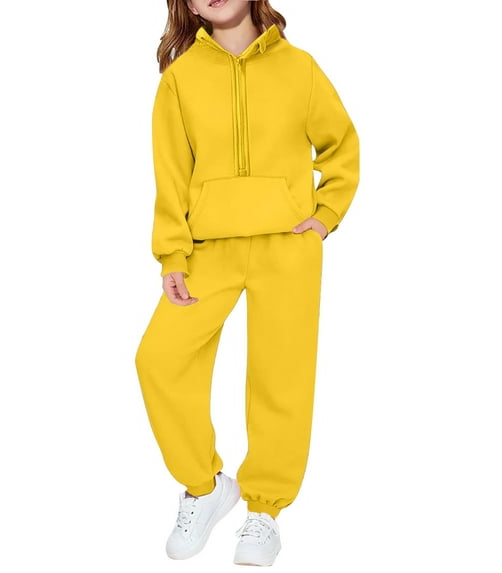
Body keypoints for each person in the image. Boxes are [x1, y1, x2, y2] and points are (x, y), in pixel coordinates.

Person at [135, 0, 359, 566]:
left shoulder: (300, 68)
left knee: (281, 377)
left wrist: (325, 215)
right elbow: (170, 175)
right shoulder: (180, 79)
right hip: (209, 246)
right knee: (160, 359)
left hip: (287, 244)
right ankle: (206, 487)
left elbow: (342, 146)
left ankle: (265, 511)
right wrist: (172, 255)